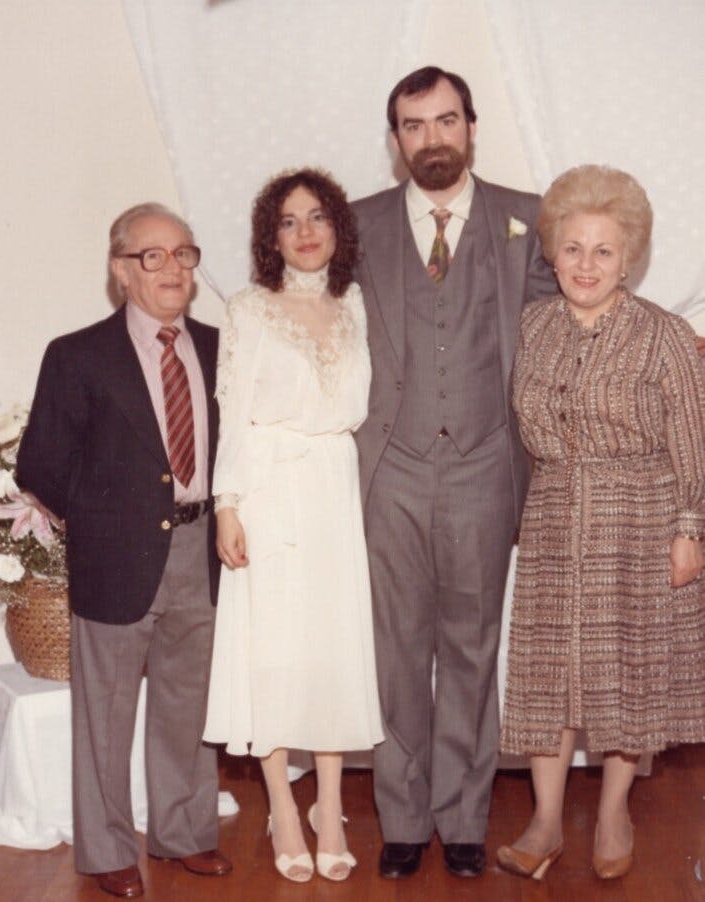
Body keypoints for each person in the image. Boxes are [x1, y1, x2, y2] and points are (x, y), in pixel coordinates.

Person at [350, 66, 557, 880]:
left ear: (472, 127)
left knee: (471, 650)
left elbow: (574, 311)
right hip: (390, 470)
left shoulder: (528, 220)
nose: (431, 139)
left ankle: (465, 818)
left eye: (445, 121)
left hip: (484, 466)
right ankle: (402, 819)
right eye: (413, 125)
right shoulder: (356, 225)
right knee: (395, 650)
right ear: (395, 138)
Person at [498, 165, 705, 881]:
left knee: (628, 675)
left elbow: (693, 438)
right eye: (574, 248)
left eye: (604, 251)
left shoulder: (665, 336)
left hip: (639, 520)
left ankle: (615, 811)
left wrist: (690, 528)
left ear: (629, 258)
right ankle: (546, 819)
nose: (586, 265)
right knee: (546, 676)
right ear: (553, 251)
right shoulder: (534, 325)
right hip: (554, 515)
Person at [16, 203, 230, 898]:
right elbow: (41, 465)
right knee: (105, 714)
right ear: (120, 271)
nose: (172, 268)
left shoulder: (219, 347)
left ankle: (185, 832)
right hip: (116, 557)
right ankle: (107, 849)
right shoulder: (77, 355)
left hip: (202, 552)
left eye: (184, 254)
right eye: (153, 256)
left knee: (188, 705)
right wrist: (105, 517)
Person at [204, 168, 384, 883]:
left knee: (333, 647)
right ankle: (283, 801)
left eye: (317, 217)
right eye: (288, 221)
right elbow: (234, 413)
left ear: (337, 228)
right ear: (269, 238)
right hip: (270, 485)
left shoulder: (358, 304)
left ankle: (330, 801)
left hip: (334, 488)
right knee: (273, 649)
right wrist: (227, 504)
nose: (305, 231)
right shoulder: (249, 308)